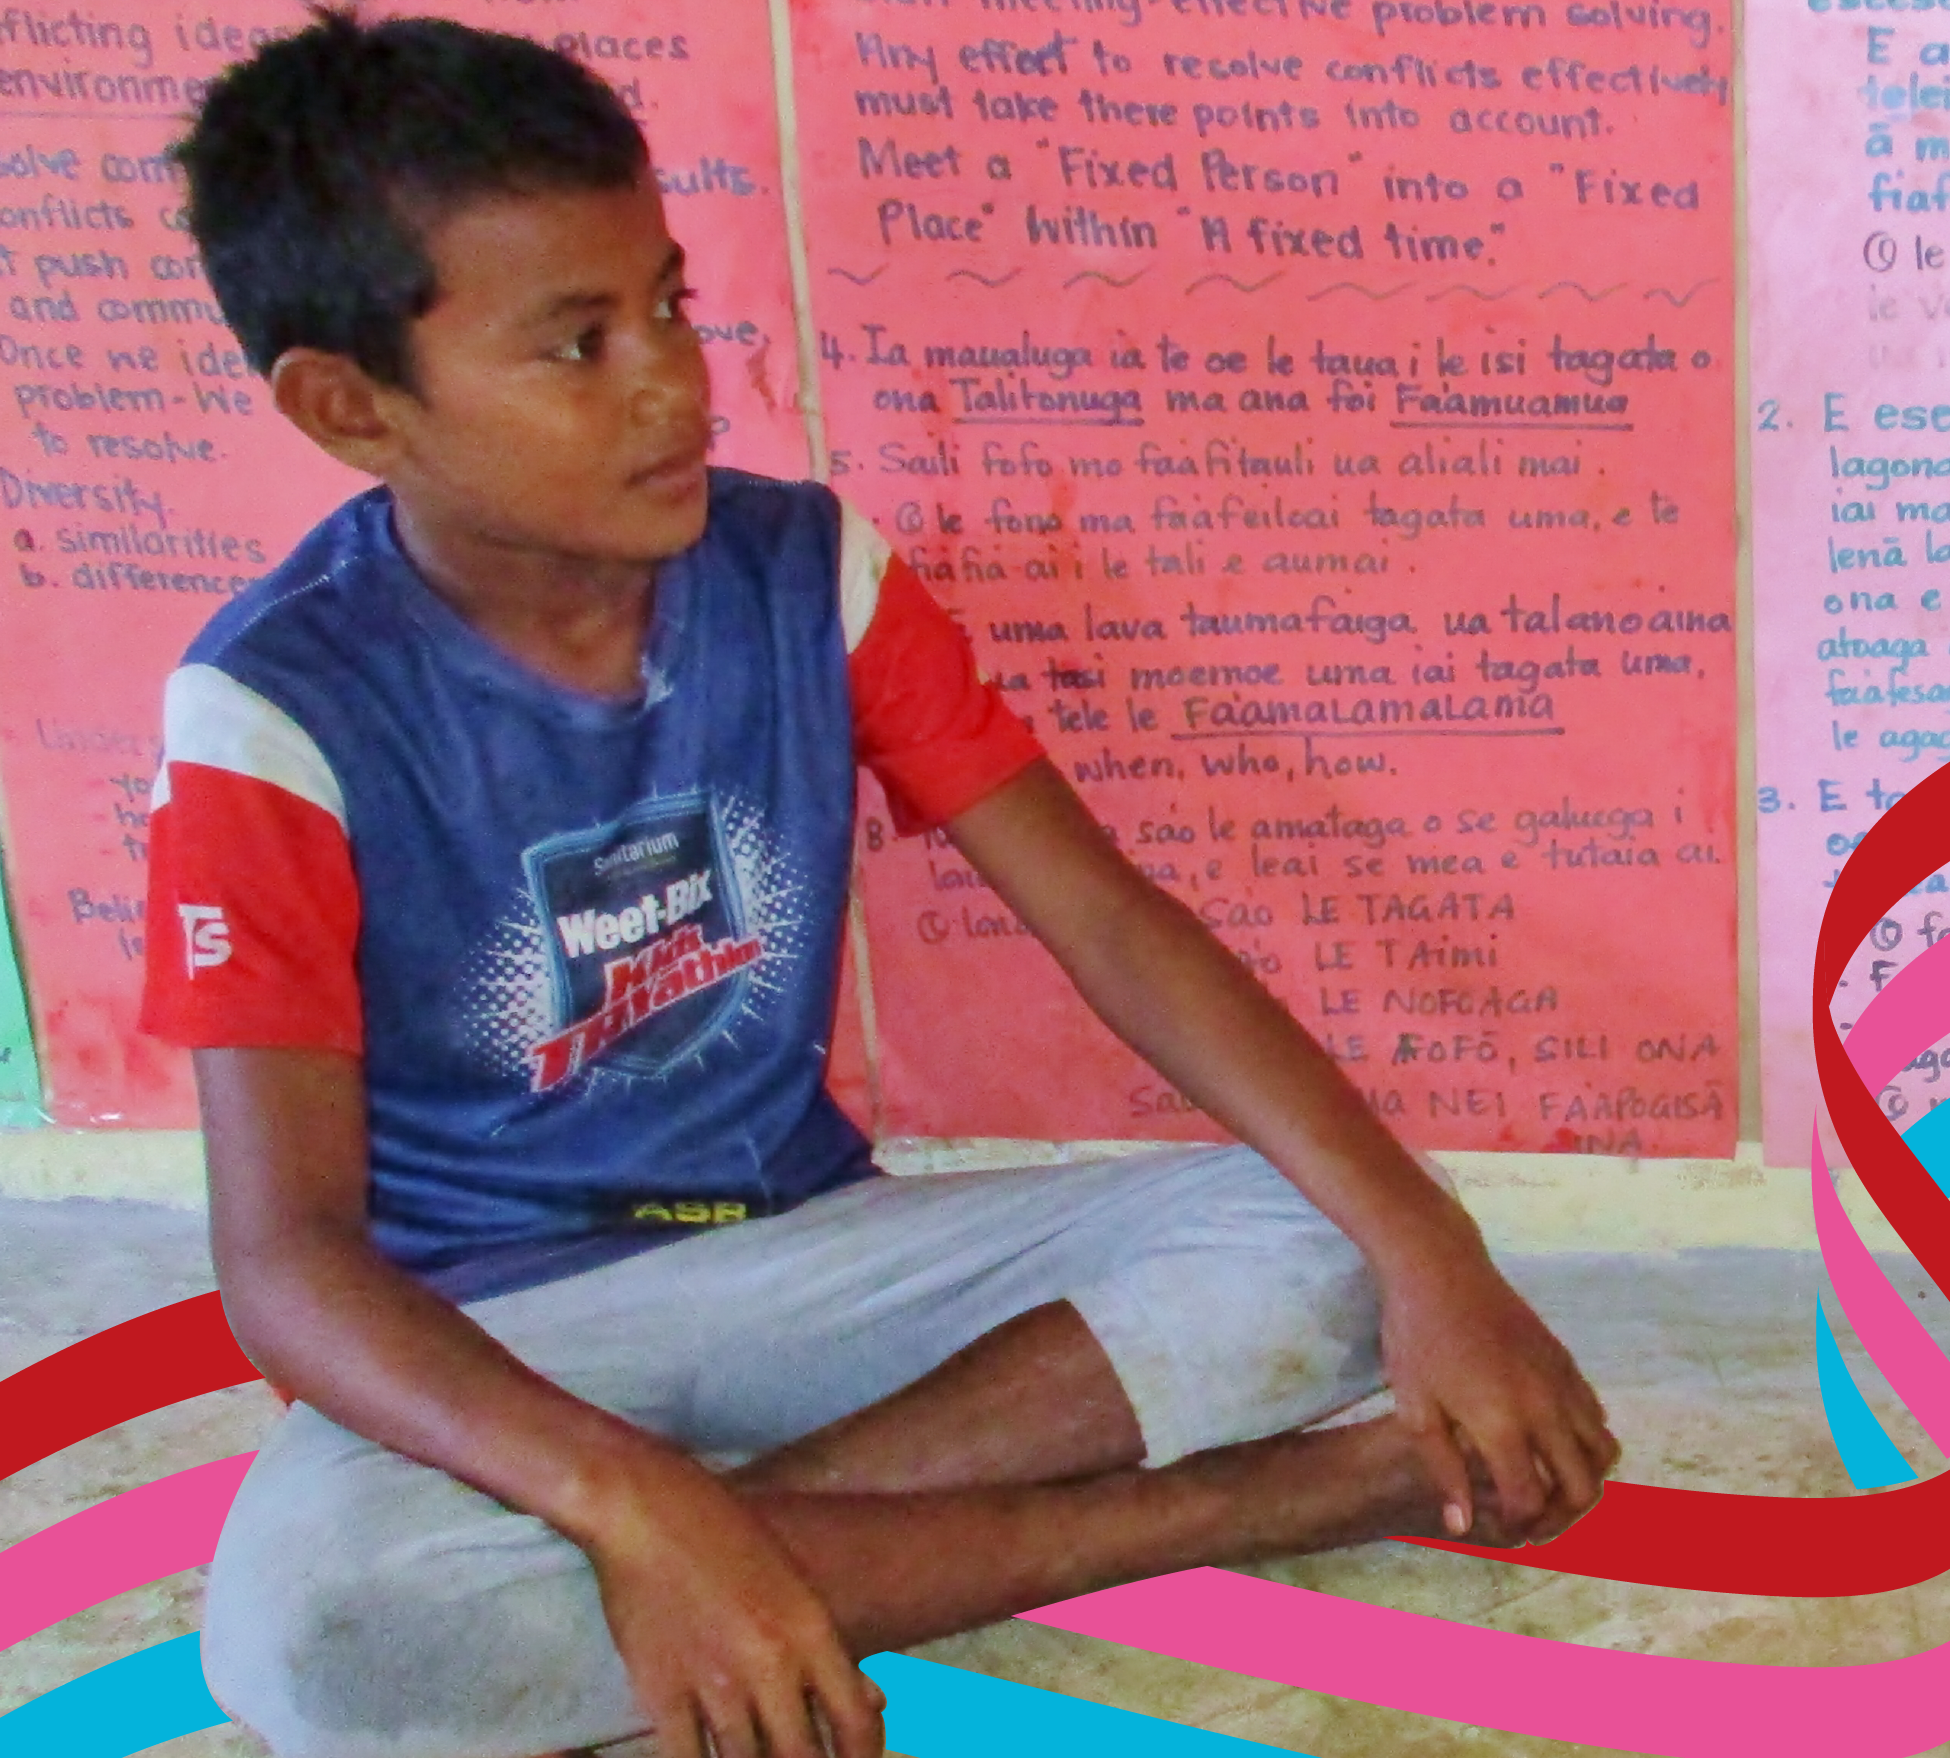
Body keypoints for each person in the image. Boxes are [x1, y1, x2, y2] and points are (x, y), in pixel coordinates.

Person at [140, 14, 1616, 1756]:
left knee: (1322, 1233)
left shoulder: (804, 572)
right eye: (576, 344)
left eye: (672, 305)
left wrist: (1428, 1244)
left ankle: (728, 1547)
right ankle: (1262, 1504)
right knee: (325, 1650)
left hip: (811, 1263)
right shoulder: (273, 712)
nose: (673, 380)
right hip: (492, 1333)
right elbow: (288, 1267)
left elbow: (1112, 927)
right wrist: (619, 1487)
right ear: (348, 404)